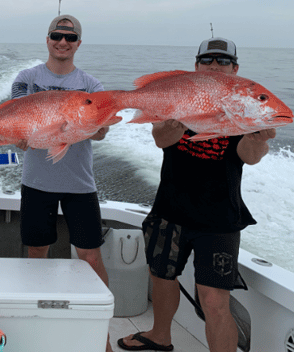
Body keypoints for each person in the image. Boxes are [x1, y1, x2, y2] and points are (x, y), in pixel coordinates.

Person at [118, 37, 275, 352]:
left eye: (222, 61)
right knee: (162, 277)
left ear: (235, 69)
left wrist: (257, 135)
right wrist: (174, 124)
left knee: (214, 298)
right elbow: (161, 139)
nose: (214, 66)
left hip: (220, 218)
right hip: (170, 209)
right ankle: (160, 336)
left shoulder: (243, 103)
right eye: (207, 60)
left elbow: (250, 156)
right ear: (196, 66)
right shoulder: (181, 94)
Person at [12, 14, 113, 352]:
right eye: (57, 35)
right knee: (37, 250)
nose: (63, 42)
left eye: (70, 38)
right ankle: (34, 321)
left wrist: (98, 127)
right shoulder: (26, 78)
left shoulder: (92, 85)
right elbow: (16, 118)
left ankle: (102, 331)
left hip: (80, 184)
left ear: (78, 44)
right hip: (37, 181)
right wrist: (17, 136)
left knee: (90, 255)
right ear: (47, 39)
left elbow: (101, 130)